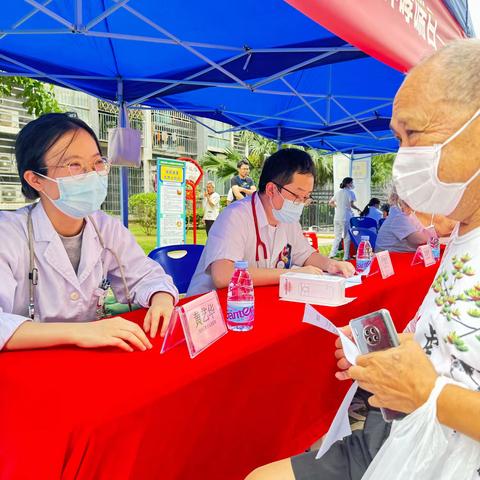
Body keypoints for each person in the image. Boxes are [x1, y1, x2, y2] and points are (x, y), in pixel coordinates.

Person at [246, 39, 480, 480]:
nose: (404, 156)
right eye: (398, 138)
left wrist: (429, 393)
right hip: (395, 441)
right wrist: (388, 357)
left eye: (413, 134)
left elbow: (436, 383)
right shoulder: (462, 231)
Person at [0, 113, 179, 353]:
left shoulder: (106, 228)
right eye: (74, 165)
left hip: (89, 363)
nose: (91, 174)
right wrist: (81, 331)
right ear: (36, 180)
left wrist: (160, 296)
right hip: (25, 369)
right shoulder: (9, 234)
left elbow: (146, 276)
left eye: (97, 163)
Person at [187, 149, 354, 297]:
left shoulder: (287, 219)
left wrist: (331, 264)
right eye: (297, 195)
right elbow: (223, 275)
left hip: (255, 302)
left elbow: (305, 255)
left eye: (306, 196)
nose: (302, 203)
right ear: (271, 189)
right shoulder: (235, 217)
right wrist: (290, 274)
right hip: (213, 312)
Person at [328, 177, 361, 260]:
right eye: (351, 183)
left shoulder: (338, 192)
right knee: (347, 237)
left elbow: (330, 202)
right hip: (346, 217)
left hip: (337, 217)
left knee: (337, 236)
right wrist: (358, 209)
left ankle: (332, 254)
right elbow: (351, 205)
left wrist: (338, 207)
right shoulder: (351, 193)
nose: (352, 184)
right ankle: (346, 256)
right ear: (347, 184)